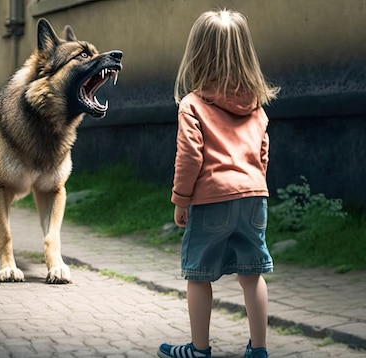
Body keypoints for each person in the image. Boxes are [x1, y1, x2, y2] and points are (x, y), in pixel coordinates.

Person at [157, 9, 280, 358]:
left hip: (211, 199)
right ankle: (258, 349)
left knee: (198, 275)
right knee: (253, 274)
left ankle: (199, 349)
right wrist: (254, 186)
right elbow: (263, 154)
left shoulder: (192, 105)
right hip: (255, 197)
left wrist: (181, 200)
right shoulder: (257, 107)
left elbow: (190, 158)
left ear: (196, 54)